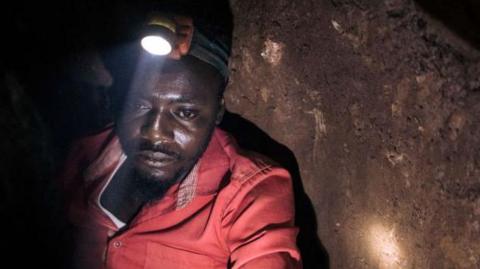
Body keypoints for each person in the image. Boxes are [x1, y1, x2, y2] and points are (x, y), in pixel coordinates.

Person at [58, 9, 301, 269]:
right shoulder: (86, 156)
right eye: (139, 106)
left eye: (185, 113)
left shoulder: (247, 193)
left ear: (218, 111)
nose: (155, 131)